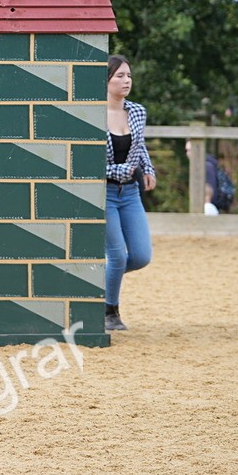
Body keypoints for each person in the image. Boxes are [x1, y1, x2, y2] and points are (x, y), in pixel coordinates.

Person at [104, 55, 155, 332]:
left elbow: (141, 146)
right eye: (120, 76)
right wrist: (123, 169)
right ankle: (109, 311)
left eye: (129, 76)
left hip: (131, 193)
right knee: (117, 256)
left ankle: (94, 281)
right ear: (106, 80)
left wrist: (148, 169)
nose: (126, 81)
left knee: (141, 256)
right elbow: (94, 164)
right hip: (105, 193)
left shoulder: (137, 111)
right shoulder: (93, 115)